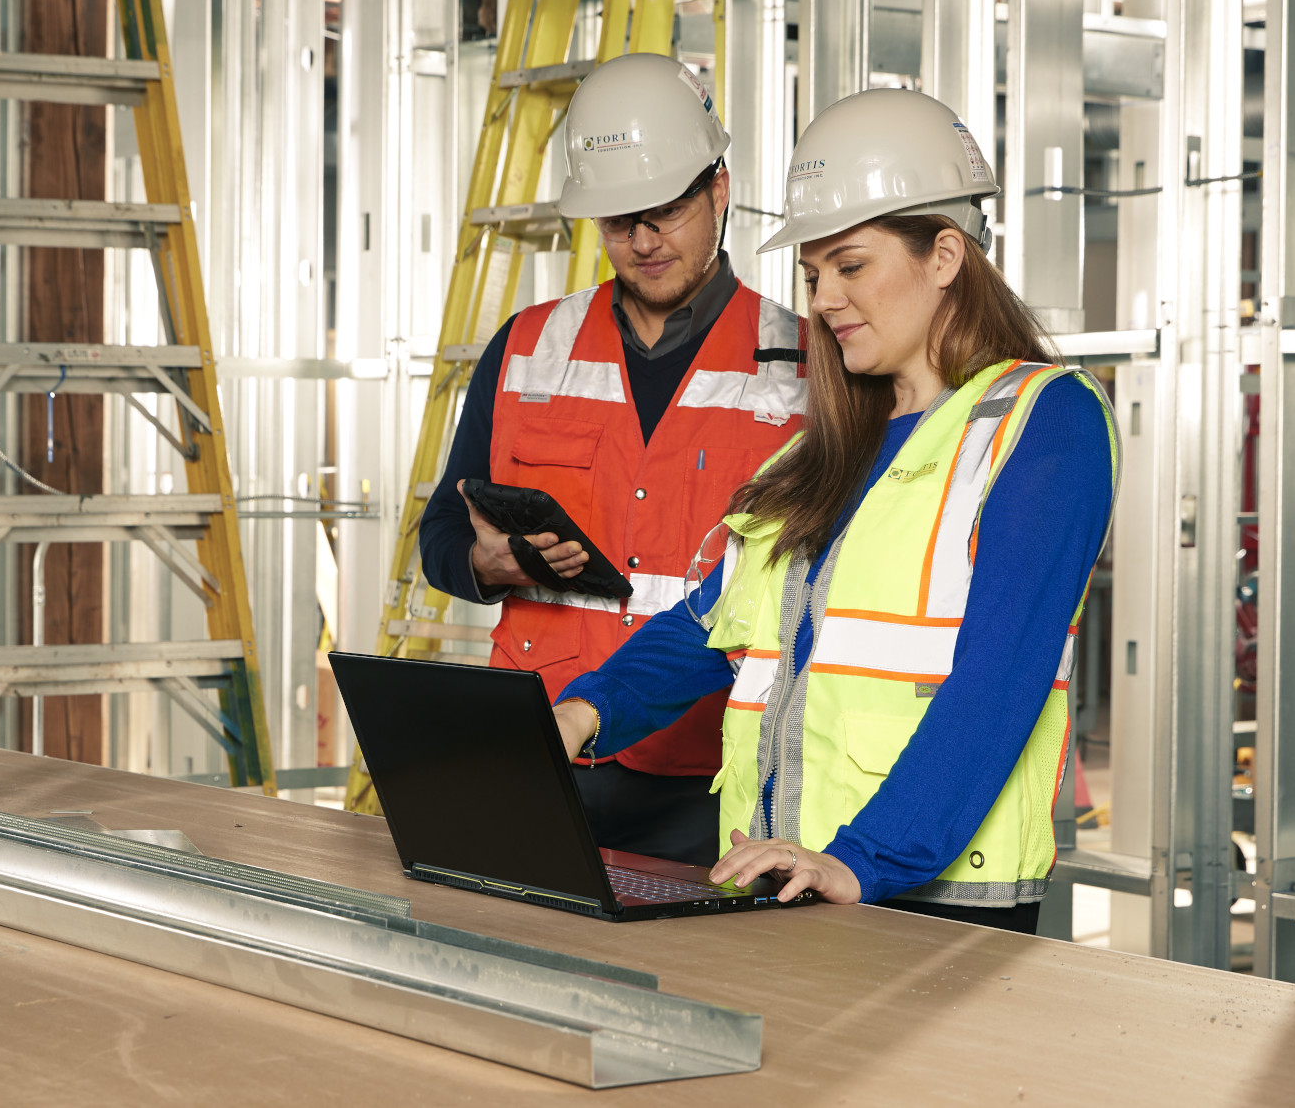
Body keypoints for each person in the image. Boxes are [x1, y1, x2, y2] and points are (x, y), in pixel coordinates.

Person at [549, 88, 1118, 933]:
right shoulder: (820, 450)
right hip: (781, 875)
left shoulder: (1045, 423)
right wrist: (582, 710)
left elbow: (1001, 680)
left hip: (930, 900)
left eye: (851, 266)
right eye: (814, 274)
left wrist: (865, 858)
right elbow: (714, 622)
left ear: (945, 255)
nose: (823, 299)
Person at [418, 52, 807, 867]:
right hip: (545, 749)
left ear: (719, 190)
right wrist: (486, 562)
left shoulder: (805, 368)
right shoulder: (527, 349)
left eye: (663, 209)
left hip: (713, 775)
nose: (641, 240)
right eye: (618, 218)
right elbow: (441, 534)